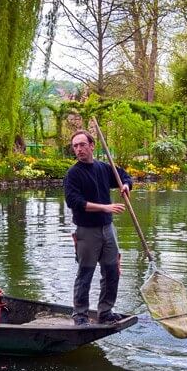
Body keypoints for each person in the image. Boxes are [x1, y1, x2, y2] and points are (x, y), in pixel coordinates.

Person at [63, 129, 133, 325]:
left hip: (108, 230)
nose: (79, 149)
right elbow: (74, 202)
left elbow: (124, 176)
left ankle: (105, 312)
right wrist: (106, 207)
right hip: (87, 231)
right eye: (75, 146)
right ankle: (80, 315)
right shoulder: (73, 174)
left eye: (82, 145)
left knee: (111, 272)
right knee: (85, 273)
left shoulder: (103, 168)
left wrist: (126, 186)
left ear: (92, 146)